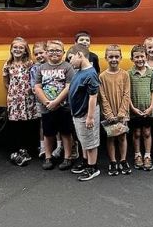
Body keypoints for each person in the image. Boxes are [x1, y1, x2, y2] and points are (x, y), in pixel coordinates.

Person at [33, 40, 76, 171]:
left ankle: (67, 157)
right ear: (46, 53)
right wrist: (46, 102)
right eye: (51, 50)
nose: (54, 53)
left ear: (63, 53)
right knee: (48, 133)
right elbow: (37, 86)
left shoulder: (68, 67)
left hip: (64, 106)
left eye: (58, 50)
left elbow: (69, 86)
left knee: (66, 132)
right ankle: (48, 157)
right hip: (47, 107)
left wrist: (56, 102)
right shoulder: (41, 68)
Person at [67, 44, 102, 181]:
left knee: (91, 142)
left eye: (71, 58)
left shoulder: (91, 74)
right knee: (84, 140)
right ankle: (85, 161)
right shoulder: (80, 71)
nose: (70, 62)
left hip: (86, 113)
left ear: (80, 55)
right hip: (78, 113)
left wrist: (90, 117)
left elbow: (93, 96)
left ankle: (92, 167)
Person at [2, 37, 39, 161]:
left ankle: (28, 148)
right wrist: (14, 93)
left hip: (28, 98)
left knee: (29, 123)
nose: (17, 50)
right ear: (11, 49)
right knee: (15, 124)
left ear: (25, 51)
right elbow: (6, 82)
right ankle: (16, 147)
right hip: (14, 98)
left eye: (21, 48)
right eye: (15, 47)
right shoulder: (8, 64)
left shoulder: (29, 63)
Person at [99, 45, 132, 176]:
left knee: (122, 136)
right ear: (106, 58)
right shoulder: (102, 76)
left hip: (122, 113)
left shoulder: (125, 75)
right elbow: (102, 96)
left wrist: (122, 112)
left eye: (116, 56)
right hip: (109, 113)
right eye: (111, 56)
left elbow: (126, 94)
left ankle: (123, 160)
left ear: (121, 58)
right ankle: (113, 161)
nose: (114, 59)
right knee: (111, 137)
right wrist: (108, 113)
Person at [129, 45, 153, 171]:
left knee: (147, 132)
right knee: (137, 133)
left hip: (147, 109)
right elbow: (126, 93)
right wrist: (132, 107)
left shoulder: (151, 73)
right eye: (137, 57)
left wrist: (151, 107)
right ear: (132, 58)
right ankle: (137, 155)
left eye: (142, 56)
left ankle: (147, 155)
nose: (140, 59)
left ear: (146, 57)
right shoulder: (129, 73)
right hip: (135, 110)